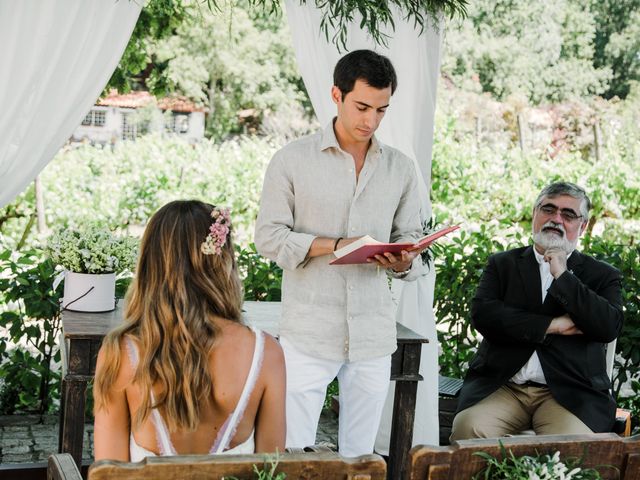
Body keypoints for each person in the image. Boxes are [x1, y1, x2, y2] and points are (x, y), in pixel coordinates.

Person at [254, 49, 427, 457]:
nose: (371, 120)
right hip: (308, 332)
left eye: (382, 110)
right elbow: (268, 237)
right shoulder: (291, 160)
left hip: (373, 334)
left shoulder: (401, 168)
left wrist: (405, 261)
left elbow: (410, 237)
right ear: (336, 94)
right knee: (292, 453)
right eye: (362, 106)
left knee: (360, 457)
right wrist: (333, 246)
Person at [93, 200, 286, 461]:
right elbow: (273, 471)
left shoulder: (120, 354)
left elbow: (108, 474)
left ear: (151, 264)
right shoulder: (265, 353)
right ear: (223, 261)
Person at [450, 182, 623, 440]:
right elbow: (484, 315)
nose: (556, 219)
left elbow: (607, 326)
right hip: (503, 386)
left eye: (568, 214)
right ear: (535, 214)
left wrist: (563, 276)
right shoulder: (503, 264)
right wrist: (551, 325)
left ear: (582, 226)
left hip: (571, 394)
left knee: (573, 447)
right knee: (471, 429)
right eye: (549, 209)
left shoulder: (601, 275)